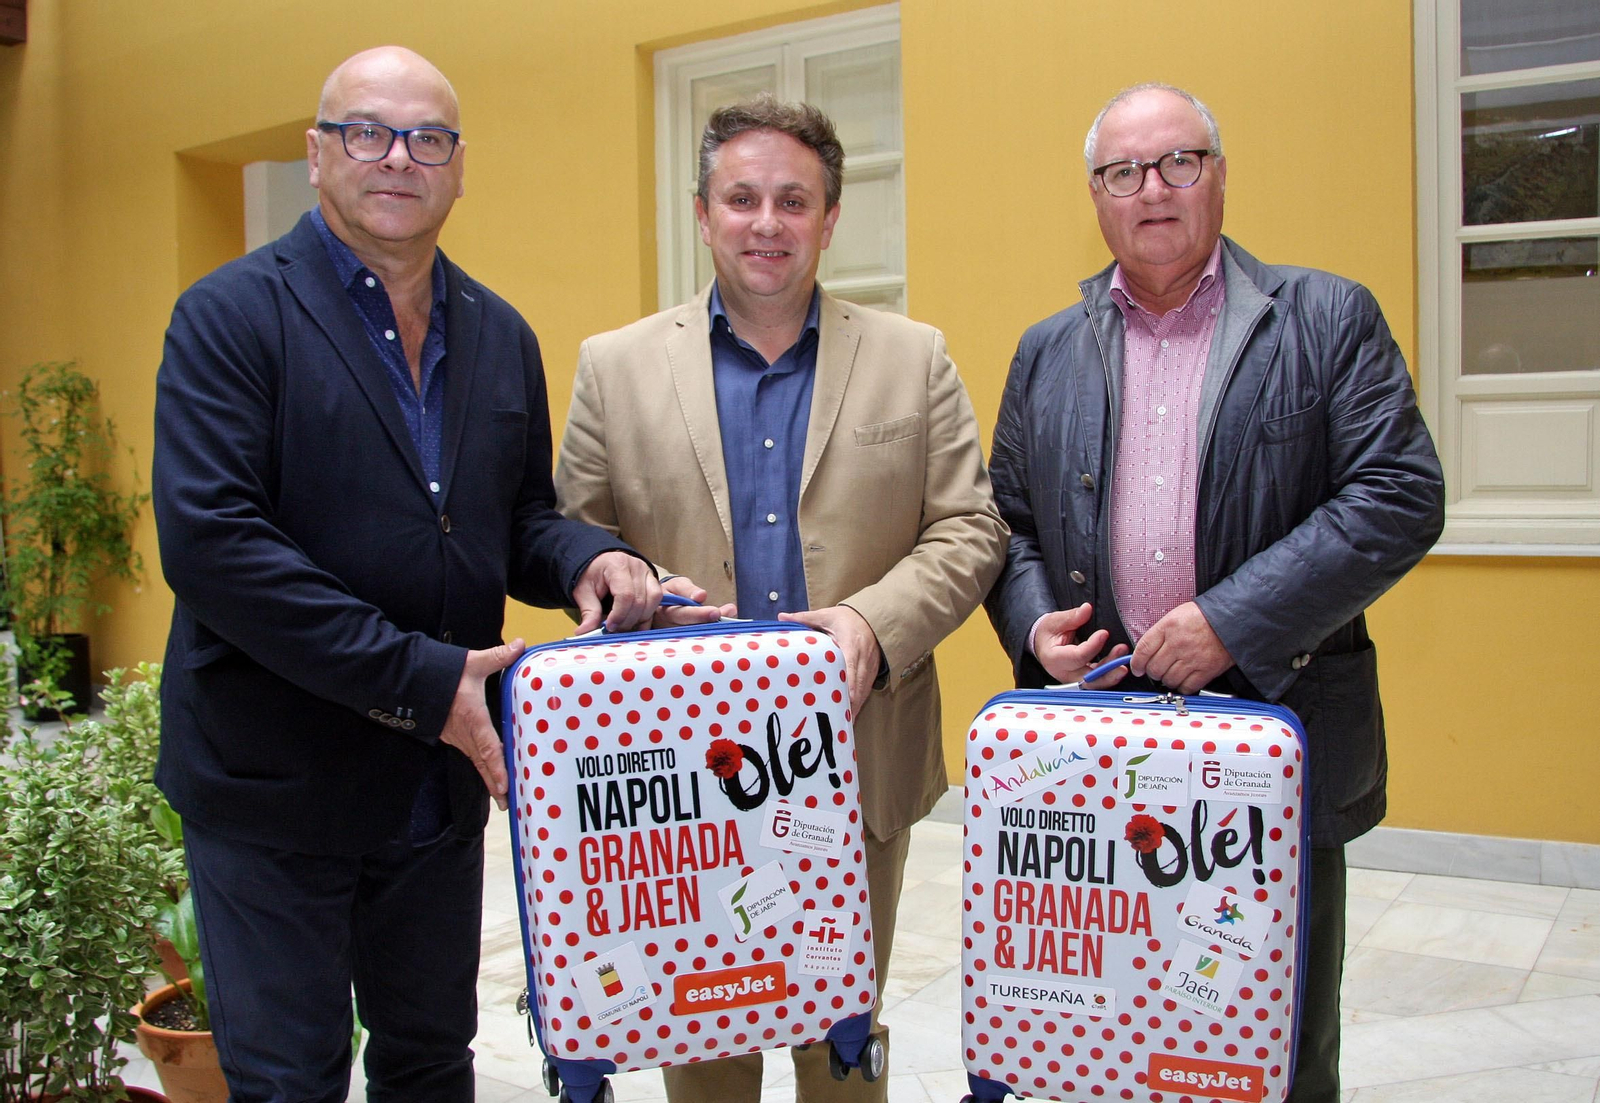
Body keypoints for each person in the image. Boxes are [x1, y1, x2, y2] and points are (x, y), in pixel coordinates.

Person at [151, 46, 678, 1101]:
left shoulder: (498, 330)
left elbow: (513, 512)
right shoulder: (228, 317)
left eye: (427, 137)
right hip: (273, 787)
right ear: (316, 154)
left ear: (459, 166)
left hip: (432, 799)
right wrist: (425, 677)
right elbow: (216, 545)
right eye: (366, 131)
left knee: (430, 1062)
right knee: (290, 1078)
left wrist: (592, 554)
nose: (398, 157)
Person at [983, 83, 1445, 1102]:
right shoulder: (1045, 351)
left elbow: (1399, 495)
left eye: (1178, 162)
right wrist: (1031, 628)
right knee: (1109, 1029)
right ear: (1095, 195)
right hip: (1099, 749)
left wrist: (1228, 619)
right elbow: (1003, 518)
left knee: (1271, 1042)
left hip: (1275, 741)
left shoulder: (1325, 318)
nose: (1152, 190)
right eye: (1122, 172)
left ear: (1219, 175)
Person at [554, 95, 1007, 1102]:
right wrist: (614, 583)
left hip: (855, 751)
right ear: (704, 212)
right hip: (681, 780)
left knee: (845, 1031)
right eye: (743, 197)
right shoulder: (612, 368)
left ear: (830, 217)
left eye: (793, 200)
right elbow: (575, 543)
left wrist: (867, 623)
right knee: (703, 1024)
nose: (767, 222)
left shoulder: (913, 356)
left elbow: (971, 530)